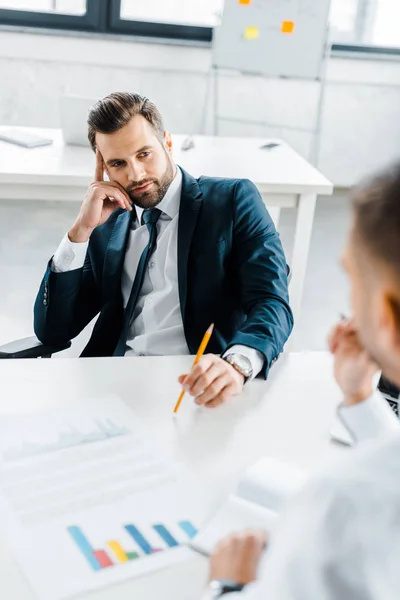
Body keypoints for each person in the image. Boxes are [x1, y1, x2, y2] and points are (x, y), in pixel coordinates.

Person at [202, 162, 400, 598]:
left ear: (384, 315)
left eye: (353, 278)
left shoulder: (344, 507)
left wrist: (227, 583)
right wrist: (362, 399)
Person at [34, 92, 292, 407]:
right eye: (118, 163)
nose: (135, 175)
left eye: (144, 154)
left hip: (193, 388)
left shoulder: (233, 201)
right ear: (103, 167)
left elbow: (272, 301)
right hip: (111, 387)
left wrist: (237, 364)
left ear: (167, 142)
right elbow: (52, 331)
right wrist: (80, 232)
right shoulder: (106, 223)